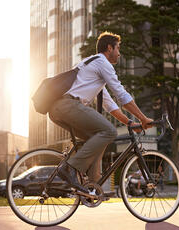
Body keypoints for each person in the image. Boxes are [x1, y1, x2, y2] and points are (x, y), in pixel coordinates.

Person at [49, 31, 153, 193]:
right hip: (67, 105)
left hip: (58, 108)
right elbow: (121, 94)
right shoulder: (102, 63)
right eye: (118, 48)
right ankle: (69, 168)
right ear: (109, 48)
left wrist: (130, 123)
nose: (119, 54)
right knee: (109, 131)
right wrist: (143, 118)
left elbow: (109, 105)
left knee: (97, 138)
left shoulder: (91, 68)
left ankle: (92, 187)